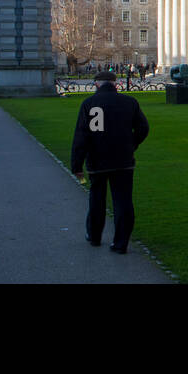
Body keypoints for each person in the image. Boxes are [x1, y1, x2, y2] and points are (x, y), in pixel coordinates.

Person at [71, 70, 150, 254]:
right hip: (123, 158)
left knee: (97, 199)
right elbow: (143, 128)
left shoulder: (89, 104)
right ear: (115, 83)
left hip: (97, 159)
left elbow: (81, 137)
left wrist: (77, 165)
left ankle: (94, 236)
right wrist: (132, 143)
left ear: (97, 84)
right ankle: (121, 242)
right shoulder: (129, 102)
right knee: (123, 201)